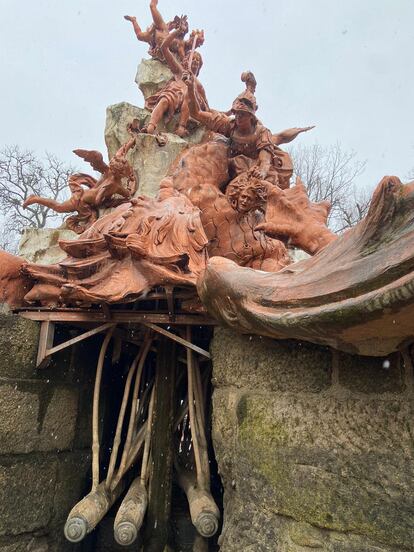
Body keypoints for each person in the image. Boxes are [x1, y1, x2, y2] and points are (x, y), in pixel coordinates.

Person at [185, 71, 313, 188]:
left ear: (251, 116)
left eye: (242, 114)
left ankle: (251, 87)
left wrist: (262, 172)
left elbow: (265, 161)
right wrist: (190, 88)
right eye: (236, 113)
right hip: (235, 158)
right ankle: (250, 87)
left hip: (255, 163)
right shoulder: (230, 124)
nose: (238, 117)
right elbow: (196, 113)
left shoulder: (262, 132)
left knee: (272, 145)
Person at [144, 17, 208, 137]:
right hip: (174, 93)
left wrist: (225, 114)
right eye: (192, 59)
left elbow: (207, 108)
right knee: (164, 100)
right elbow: (164, 47)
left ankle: (181, 126)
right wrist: (177, 31)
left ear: (199, 67)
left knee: (190, 96)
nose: (194, 62)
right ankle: (150, 126)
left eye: (197, 61)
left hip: (187, 101)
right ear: (185, 61)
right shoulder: (180, 70)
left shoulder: (198, 84)